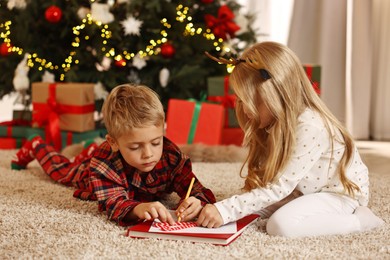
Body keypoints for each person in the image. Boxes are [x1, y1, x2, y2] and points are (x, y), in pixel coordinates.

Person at [198, 41, 384, 237]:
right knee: (249, 208)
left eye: (250, 101)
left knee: (281, 225)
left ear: (273, 95)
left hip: (338, 195)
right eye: (241, 101)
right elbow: (268, 189)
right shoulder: (274, 123)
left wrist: (225, 210)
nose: (244, 110)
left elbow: (279, 188)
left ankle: (360, 221)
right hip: (301, 192)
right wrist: (218, 209)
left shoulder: (311, 125)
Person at [11, 83, 216, 226]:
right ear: (114, 143)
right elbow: (112, 203)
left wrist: (197, 200)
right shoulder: (104, 164)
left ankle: (89, 149)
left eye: (155, 142)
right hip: (91, 173)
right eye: (135, 147)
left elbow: (195, 187)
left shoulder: (171, 156)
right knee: (63, 171)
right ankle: (36, 145)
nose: (148, 154)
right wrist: (138, 209)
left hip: (110, 160)